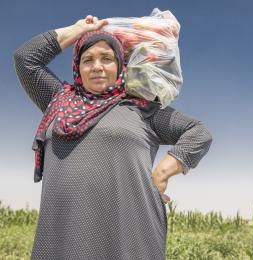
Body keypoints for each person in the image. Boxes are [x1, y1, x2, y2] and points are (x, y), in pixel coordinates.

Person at [14, 15, 212, 260]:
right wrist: (79, 29)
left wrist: (162, 173)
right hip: (62, 232)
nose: (97, 66)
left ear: (121, 66)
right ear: (77, 67)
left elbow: (198, 133)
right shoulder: (59, 101)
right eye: (88, 60)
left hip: (127, 230)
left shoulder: (141, 109)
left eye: (106, 59)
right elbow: (26, 59)